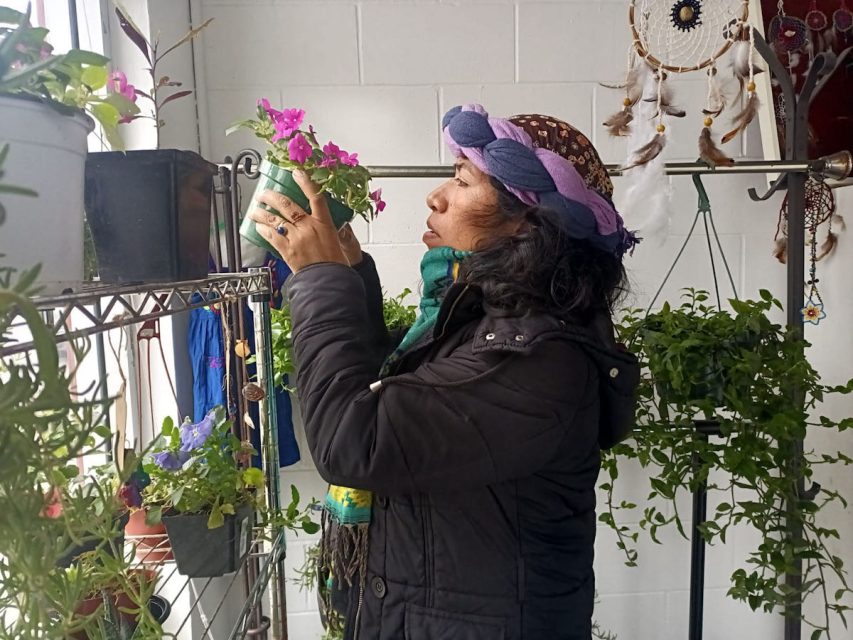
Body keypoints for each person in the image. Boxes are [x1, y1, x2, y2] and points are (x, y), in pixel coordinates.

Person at [249, 104, 640, 640]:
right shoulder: (486, 320)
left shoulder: (540, 359)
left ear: (527, 219)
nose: (436, 197)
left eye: (461, 179)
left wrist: (319, 279)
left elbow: (353, 439)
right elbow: (397, 392)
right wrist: (351, 276)